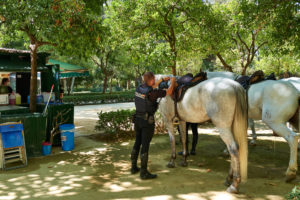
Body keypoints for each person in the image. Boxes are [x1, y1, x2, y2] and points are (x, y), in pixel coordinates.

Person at [131, 72, 176, 180]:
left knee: (137, 142)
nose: (155, 81)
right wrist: (172, 81)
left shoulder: (139, 88)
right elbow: (169, 92)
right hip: (147, 122)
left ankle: (133, 168)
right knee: (145, 146)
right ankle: (143, 172)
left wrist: (161, 80)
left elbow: (152, 86)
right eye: (154, 79)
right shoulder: (154, 93)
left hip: (137, 119)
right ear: (151, 80)